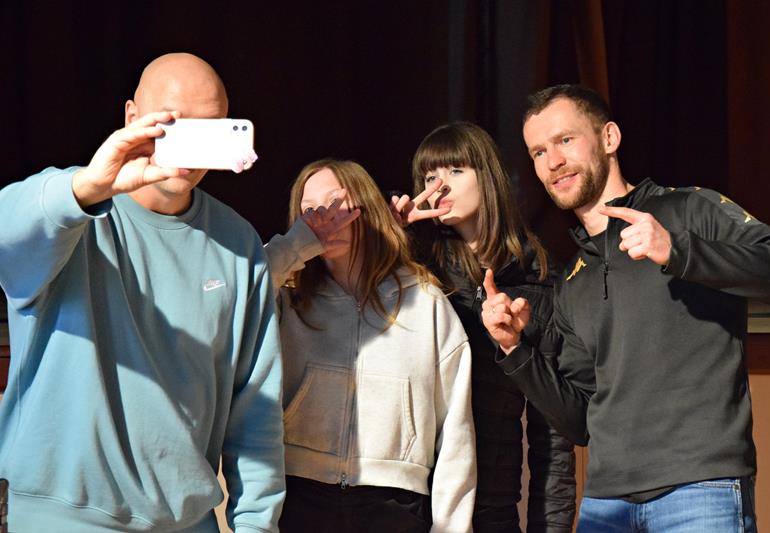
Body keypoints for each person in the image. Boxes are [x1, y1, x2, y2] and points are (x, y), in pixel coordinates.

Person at [481, 84, 770, 532]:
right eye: (538, 152)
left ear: (609, 138)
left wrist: (680, 252)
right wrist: (515, 351)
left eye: (565, 140)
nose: (552, 162)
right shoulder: (573, 280)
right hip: (605, 505)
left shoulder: (688, 209)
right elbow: (580, 421)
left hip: (701, 489)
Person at [0, 53, 284, 532]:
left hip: (187, 520)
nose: (189, 146)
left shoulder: (238, 243)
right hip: (59, 518)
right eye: (173, 124)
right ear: (132, 117)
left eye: (208, 128)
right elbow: (7, 229)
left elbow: (255, 405)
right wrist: (86, 188)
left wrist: (256, 524)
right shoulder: (68, 210)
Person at [264, 159, 476, 533]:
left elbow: (457, 433)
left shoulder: (425, 302)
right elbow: (235, 293)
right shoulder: (287, 298)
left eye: (335, 202)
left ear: (366, 206)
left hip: (395, 504)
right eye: (309, 210)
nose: (323, 216)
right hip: (300, 496)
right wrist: (296, 245)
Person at [387, 122, 576, 532]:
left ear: (487, 177)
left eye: (455, 171)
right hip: (409, 500)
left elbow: (552, 439)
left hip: (491, 503)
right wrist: (388, 236)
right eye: (429, 177)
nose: (440, 186)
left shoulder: (540, 281)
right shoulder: (415, 268)